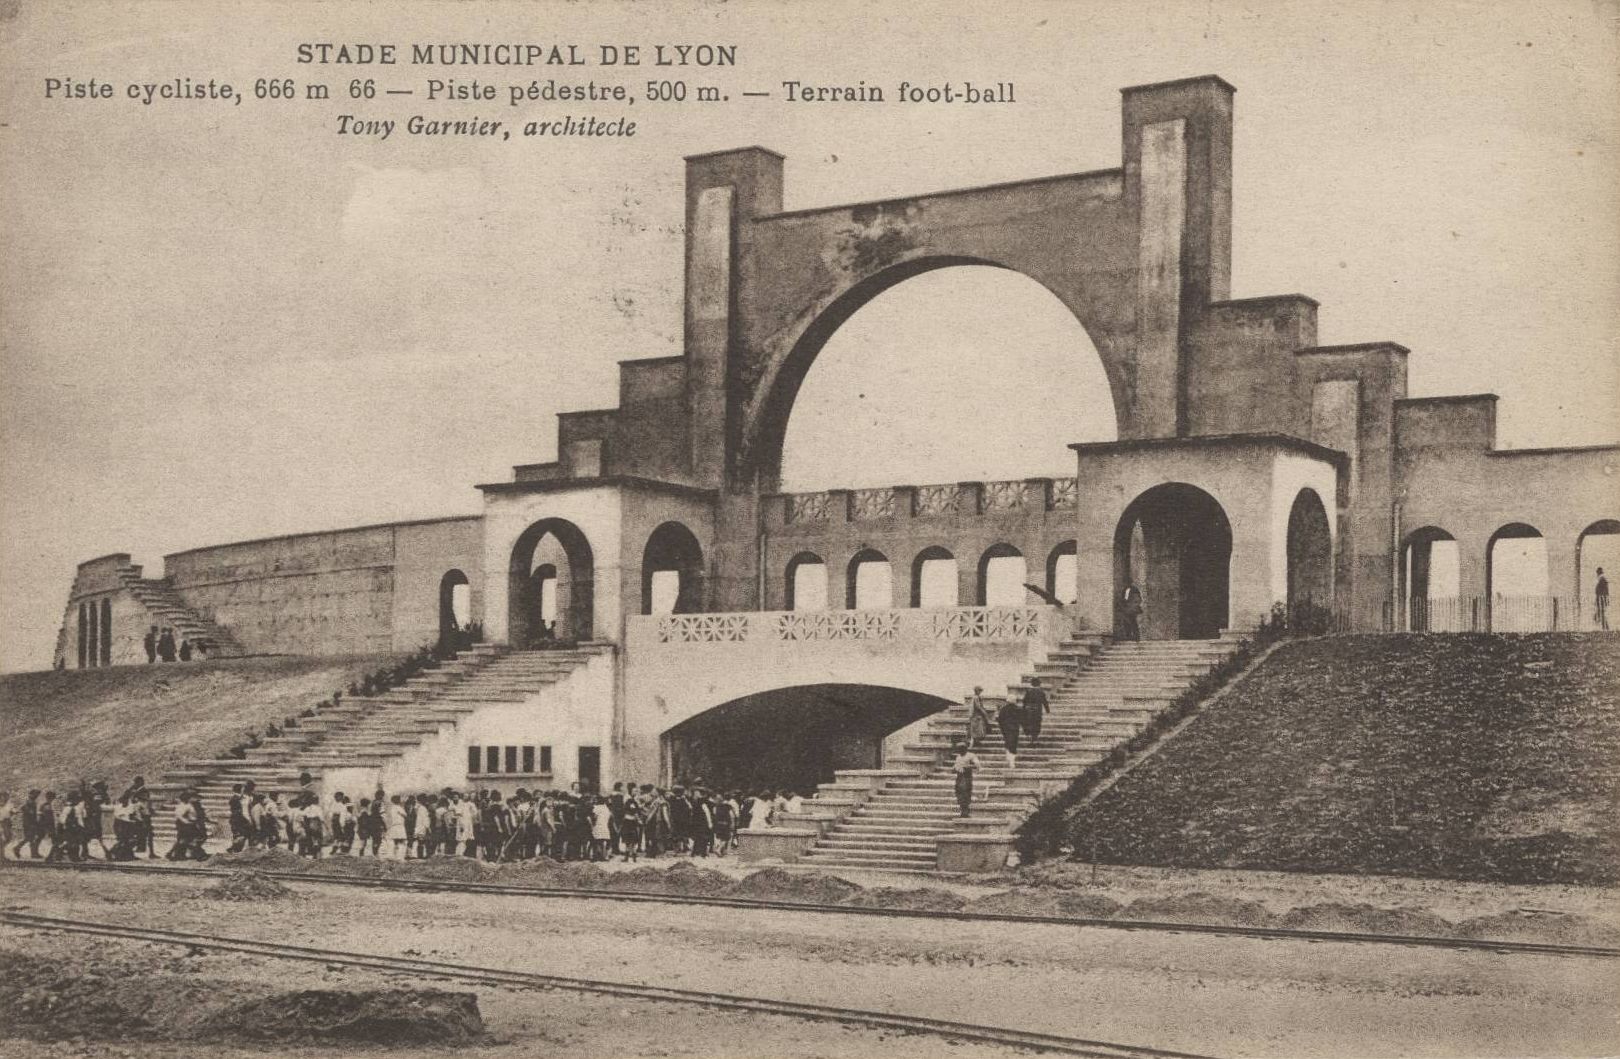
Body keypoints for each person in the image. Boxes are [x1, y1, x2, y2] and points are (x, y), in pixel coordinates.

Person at [952, 739, 981, 818]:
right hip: (959, 777)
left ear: (965, 749)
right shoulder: (958, 757)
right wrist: (955, 768)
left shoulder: (971, 756)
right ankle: (962, 811)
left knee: (965, 793)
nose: (960, 751)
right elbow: (955, 766)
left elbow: (977, 765)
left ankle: (966, 811)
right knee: (959, 794)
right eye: (959, 750)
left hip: (966, 777)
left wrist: (967, 767)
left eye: (961, 749)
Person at [1022, 677, 1050, 747]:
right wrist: (1047, 710)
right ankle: (1035, 740)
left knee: (1030, 724)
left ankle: (1031, 740)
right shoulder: (1041, 692)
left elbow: (1024, 701)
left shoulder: (1028, 691)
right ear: (1038, 684)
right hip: (1037, 711)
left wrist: (1024, 709)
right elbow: (1045, 702)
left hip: (1029, 711)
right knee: (1037, 725)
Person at [996, 696, 1022, 771]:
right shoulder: (1017, 709)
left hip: (1006, 729)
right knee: (1013, 744)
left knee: (1008, 742)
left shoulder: (1003, 709)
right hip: (1014, 729)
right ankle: (1011, 761)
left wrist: (1002, 728)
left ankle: (1009, 757)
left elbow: (1000, 719)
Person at [1597, 567, 1610, 631]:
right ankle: (1605, 628)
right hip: (1601, 599)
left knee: (1601, 614)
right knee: (1601, 614)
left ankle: (1606, 628)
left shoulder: (1602, 579)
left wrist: (1604, 599)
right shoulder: (1602, 579)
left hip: (1601, 599)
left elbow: (1604, 591)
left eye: (1597, 573)